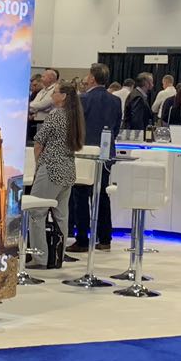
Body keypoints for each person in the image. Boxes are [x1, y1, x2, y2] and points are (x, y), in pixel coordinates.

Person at [29, 80, 82, 267]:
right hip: (68, 169)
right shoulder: (75, 116)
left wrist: (38, 166)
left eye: (55, 92)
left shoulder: (56, 115)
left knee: (36, 212)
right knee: (61, 216)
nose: (52, 95)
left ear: (63, 96)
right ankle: (58, 256)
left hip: (51, 168)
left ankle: (40, 258)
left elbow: (39, 142)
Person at [70, 64, 121, 253]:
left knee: (81, 196)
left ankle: (82, 239)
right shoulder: (115, 101)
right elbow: (116, 127)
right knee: (102, 196)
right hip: (105, 153)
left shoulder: (82, 99)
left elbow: (75, 125)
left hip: (84, 153)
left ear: (92, 78)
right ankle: (105, 238)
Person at [28, 68, 59, 136]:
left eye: (43, 76)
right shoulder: (43, 90)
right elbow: (34, 105)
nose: (41, 79)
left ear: (50, 78)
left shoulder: (55, 90)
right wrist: (34, 107)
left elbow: (43, 105)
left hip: (47, 122)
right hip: (37, 122)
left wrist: (28, 106)